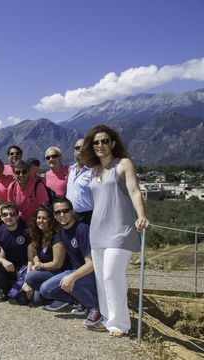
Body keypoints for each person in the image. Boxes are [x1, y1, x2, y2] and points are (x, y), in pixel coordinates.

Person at [81, 124, 149, 337]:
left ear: (113, 143)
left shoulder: (124, 164)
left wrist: (142, 215)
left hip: (121, 230)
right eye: (96, 142)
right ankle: (109, 319)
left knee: (112, 276)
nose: (100, 145)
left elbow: (134, 190)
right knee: (101, 278)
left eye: (105, 141)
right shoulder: (94, 171)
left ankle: (121, 324)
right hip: (98, 231)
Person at [40, 197, 100, 325]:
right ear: (54, 216)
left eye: (65, 210)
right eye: (58, 212)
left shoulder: (82, 230)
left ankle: (95, 307)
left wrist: (72, 277)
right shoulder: (62, 232)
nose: (62, 215)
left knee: (71, 282)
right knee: (45, 290)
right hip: (76, 271)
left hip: (92, 273)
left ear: (73, 211)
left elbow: (92, 264)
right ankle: (82, 301)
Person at [21, 205, 66, 306]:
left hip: (59, 271)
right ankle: (50, 291)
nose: (41, 220)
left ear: (51, 220)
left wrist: (39, 266)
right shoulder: (40, 233)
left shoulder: (56, 237)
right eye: (39, 218)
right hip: (46, 271)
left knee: (30, 277)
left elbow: (57, 264)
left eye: (44, 218)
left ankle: (67, 299)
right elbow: (35, 254)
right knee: (37, 301)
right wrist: (37, 262)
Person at [0, 202, 29, 303]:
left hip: (25, 269)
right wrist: (3, 261)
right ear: (1, 217)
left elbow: (32, 257)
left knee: (23, 300)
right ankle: (5, 289)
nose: (8, 217)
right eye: (5, 214)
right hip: (9, 267)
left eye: (12, 214)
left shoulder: (26, 230)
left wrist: (29, 275)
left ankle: (19, 285)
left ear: (18, 216)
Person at [66, 139, 93, 225]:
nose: (81, 150)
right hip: (70, 216)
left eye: (84, 147)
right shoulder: (71, 170)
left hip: (87, 217)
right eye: (78, 148)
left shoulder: (93, 171)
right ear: (74, 151)